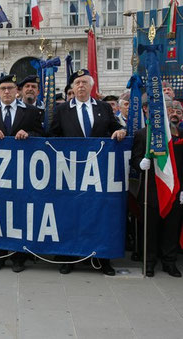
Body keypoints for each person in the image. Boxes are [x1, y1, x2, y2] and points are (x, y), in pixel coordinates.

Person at [50, 69, 126, 276]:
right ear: (72, 88)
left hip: (99, 172)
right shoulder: (62, 110)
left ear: (91, 86)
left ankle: (103, 259)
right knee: (70, 213)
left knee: (100, 214)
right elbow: (53, 135)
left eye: (84, 82)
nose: (80, 86)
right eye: (77, 83)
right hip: (70, 171)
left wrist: (120, 131)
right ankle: (68, 257)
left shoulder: (103, 108)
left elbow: (114, 127)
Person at [0, 73, 44, 273]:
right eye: (3, 89)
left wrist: (28, 134)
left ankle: (18, 257)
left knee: (20, 214)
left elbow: (42, 134)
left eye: (11, 88)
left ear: (18, 91)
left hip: (22, 173)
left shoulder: (31, 111)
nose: (7, 92)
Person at [131, 97, 183, 277]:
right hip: (151, 188)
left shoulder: (178, 134)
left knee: (171, 227)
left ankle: (169, 262)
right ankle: (150, 261)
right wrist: (140, 164)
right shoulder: (142, 134)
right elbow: (135, 159)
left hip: (174, 187)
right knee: (150, 228)